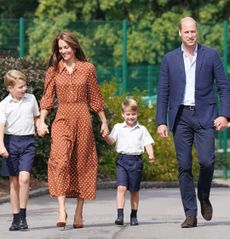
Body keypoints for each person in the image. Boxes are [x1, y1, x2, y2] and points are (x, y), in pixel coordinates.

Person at [156, 16, 230, 228]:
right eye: (186, 32)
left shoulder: (211, 55)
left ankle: (204, 195)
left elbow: (224, 87)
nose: (190, 35)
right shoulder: (169, 59)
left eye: (193, 31)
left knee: (207, 161)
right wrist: (161, 120)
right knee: (184, 166)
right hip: (181, 118)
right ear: (179, 33)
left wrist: (224, 115)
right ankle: (190, 213)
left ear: (197, 32)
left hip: (205, 116)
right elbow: (163, 92)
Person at [37, 31, 109, 229]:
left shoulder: (87, 68)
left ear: (74, 47)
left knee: (81, 163)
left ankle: (79, 212)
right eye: (60, 48)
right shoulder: (54, 70)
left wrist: (104, 122)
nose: (63, 51)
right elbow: (47, 98)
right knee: (59, 160)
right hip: (62, 118)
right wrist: (42, 120)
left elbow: (95, 97)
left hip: (83, 119)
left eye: (66, 47)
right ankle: (61, 209)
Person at [103, 98, 155, 226]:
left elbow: (147, 143)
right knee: (121, 188)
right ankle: (120, 215)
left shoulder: (142, 129)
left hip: (136, 161)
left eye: (133, 114)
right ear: (123, 114)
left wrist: (151, 155)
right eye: (128, 114)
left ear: (137, 114)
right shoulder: (118, 127)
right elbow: (111, 140)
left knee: (134, 190)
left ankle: (134, 215)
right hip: (122, 160)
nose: (131, 117)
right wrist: (106, 136)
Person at [0, 70, 40, 231]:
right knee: (14, 181)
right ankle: (15, 218)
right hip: (10, 143)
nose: (24, 89)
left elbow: (36, 117)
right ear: (10, 88)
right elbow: (1, 127)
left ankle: (23, 217)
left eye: (25, 86)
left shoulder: (31, 99)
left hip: (28, 142)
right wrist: (1, 146)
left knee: (24, 178)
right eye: (20, 87)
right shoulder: (3, 105)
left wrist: (40, 125)